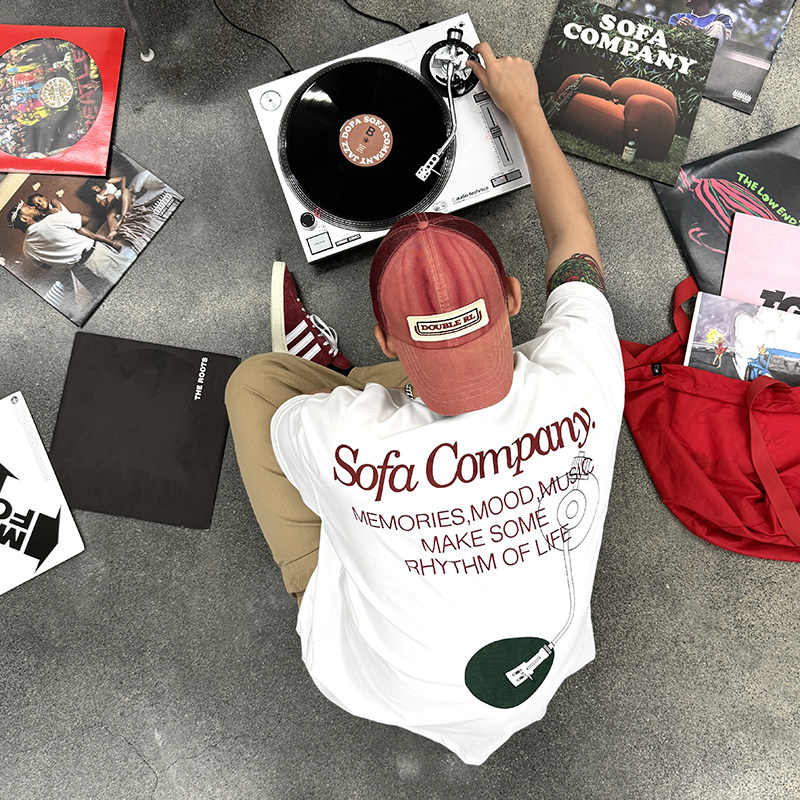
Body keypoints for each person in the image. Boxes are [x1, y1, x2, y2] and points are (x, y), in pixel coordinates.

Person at [225, 43, 624, 765]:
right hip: (548, 659)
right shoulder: (585, 373)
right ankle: (389, 382)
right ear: (513, 298)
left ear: (385, 333)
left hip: (373, 680)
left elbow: (295, 429)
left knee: (255, 386)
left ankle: (349, 370)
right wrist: (525, 109)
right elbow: (575, 244)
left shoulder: (342, 438)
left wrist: (366, 411)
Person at [668, 0, 733, 47]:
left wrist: (695, 29)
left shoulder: (722, 18)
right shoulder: (678, 17)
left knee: (717, 25)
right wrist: (678, 29)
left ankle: (707, 56)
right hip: (682, 52)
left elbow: (725, 40)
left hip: (709, 56)